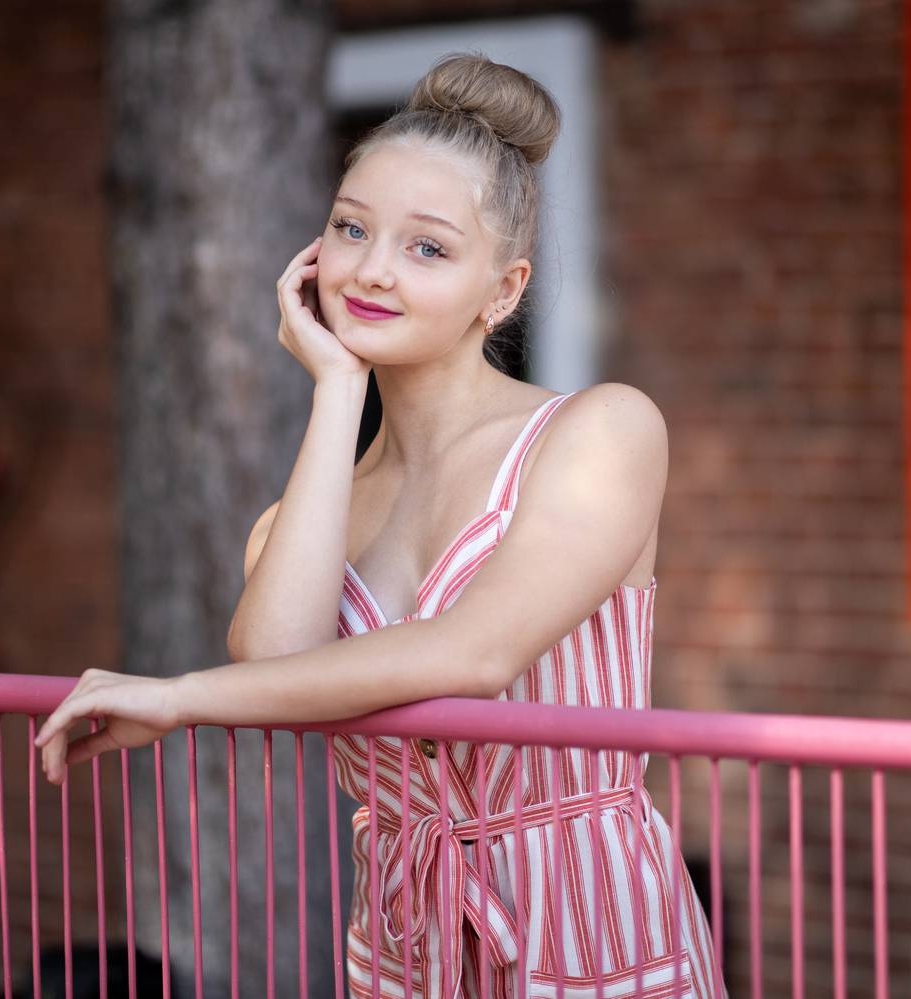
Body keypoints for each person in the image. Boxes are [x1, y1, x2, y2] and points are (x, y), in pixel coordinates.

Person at [36, 51, 728, 999]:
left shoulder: (602, 430)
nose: (370, 270)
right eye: (350, 228)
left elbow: (476, 653)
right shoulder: (303, 516)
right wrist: (336, 388)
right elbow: (276, 660)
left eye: (427, 248)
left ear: (504, 290)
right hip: (406, 941)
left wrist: (180, 697)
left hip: (589, 921)